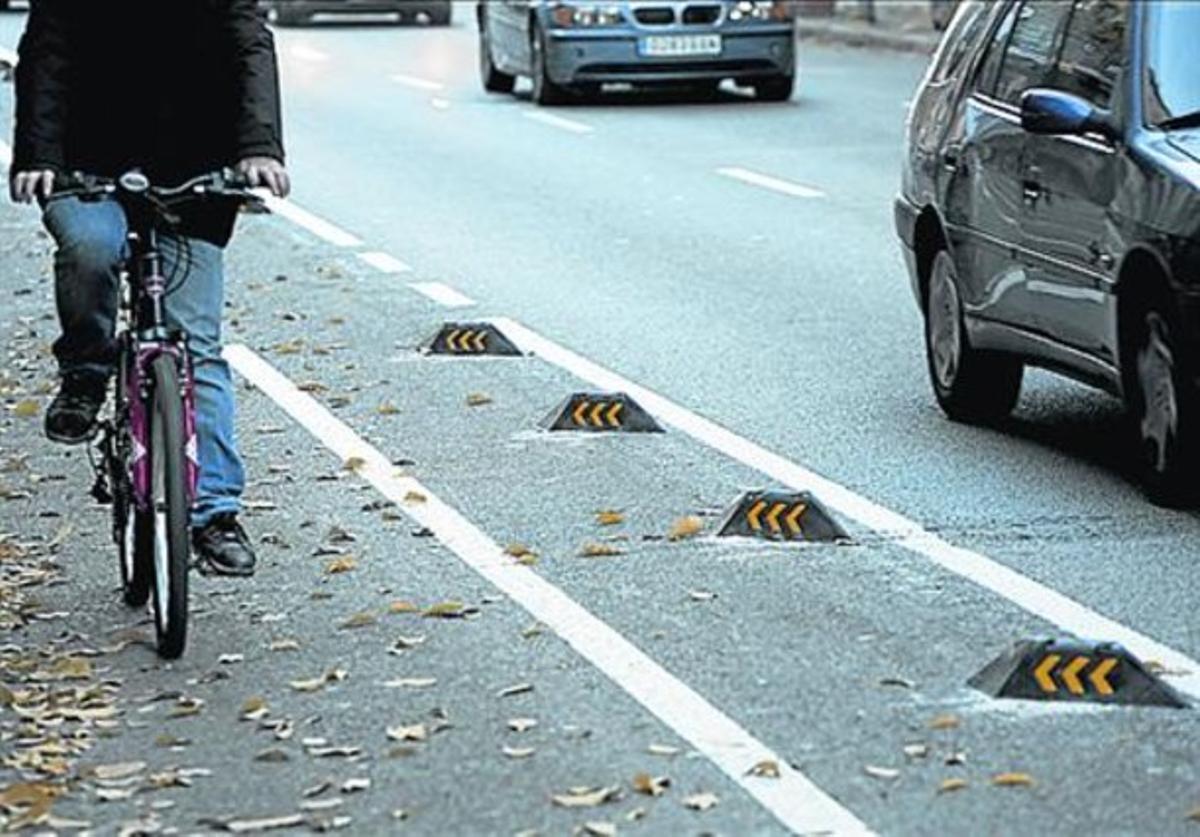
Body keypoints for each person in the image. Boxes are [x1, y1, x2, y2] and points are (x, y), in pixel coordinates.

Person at [9, 0, 290, 577]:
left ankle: (214, 513)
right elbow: (46, 52)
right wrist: (38, 155)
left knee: (198, 348)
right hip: (86, 166)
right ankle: (87, 369)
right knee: (91, 249)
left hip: (194, 171)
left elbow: (249, 44)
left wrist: (258, 148)